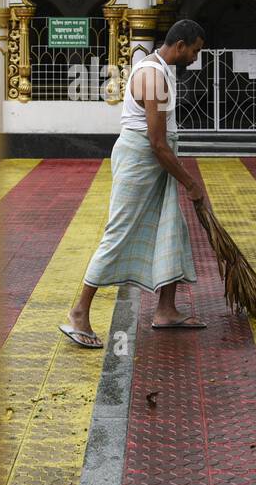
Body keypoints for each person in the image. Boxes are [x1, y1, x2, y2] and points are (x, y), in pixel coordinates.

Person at [60, 19, 209, 349]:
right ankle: (79, 313)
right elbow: (156, 142)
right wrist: (189, 182)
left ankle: (166, 310)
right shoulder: (153, 76)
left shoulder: (161, 69)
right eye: (195, 51)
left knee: (171, 227)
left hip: (156, 160)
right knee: (118, 231)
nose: (196, 59)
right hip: (142, 159)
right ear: (181, 45)